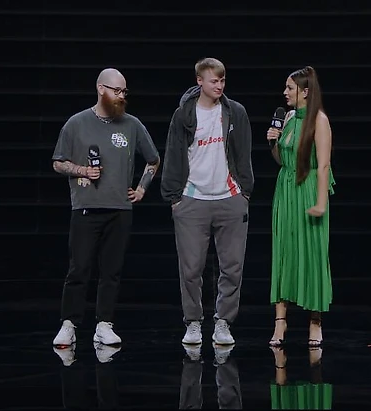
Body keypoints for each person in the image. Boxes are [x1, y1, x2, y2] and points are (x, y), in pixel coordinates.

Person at [51, 68, 160, 347]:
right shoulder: (77, 123)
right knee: (79, 269)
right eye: (116, 90)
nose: (121, 96)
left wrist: (142, 188)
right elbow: (58, 162)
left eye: (124, 91)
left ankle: (104, 324)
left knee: (111, 271)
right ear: (101, 89)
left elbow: (153, 159)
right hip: (86, 207)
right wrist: (82, 171)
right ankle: (69, 324)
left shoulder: (132, 125)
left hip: (120, 209)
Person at [161, 57, 254, 346]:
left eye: (223, 80)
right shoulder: (183, 115)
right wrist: (174, 198)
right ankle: (193, 322)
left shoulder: (235, 112)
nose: (220, 86)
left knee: (232, 267)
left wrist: (245, 192)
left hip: (230, 198)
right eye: (214, 80)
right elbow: (173, 153)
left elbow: (244, 152)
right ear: (199, 81)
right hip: (192, 199)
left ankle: (223, 322)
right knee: (191, 269)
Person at [266, 66, 335, 347]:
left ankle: (315, 321)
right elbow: (283, 160)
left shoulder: (319, 121)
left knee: (312, 254)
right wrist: (273, 143)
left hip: (308, 190)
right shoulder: (289, 118)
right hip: (285, 190)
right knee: (284, 254)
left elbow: (324, 165)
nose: (285, 92)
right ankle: (280, 322)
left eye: (290, 88)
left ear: (305, 92)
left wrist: (320, 203)